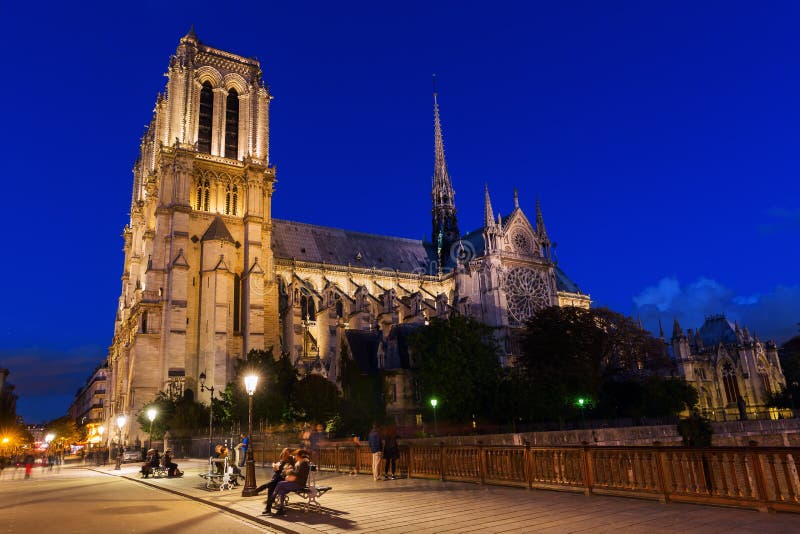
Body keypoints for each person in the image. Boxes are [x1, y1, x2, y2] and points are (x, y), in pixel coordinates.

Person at [265, 449, 310, 516]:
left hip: (299, 484)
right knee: (281, 490)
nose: (295, 456)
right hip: (295, 482)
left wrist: (289, 471)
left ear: (299, 456)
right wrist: (289, 470)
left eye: (296, 455)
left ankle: (272, 498)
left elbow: (298, 474)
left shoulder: (303, 463)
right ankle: (281, 509)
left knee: (280, 484)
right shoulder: (300, 462)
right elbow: (295, 473)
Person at [259, 448, 295, 512]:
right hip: (278, 478)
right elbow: (279, 470)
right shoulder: (282, 459)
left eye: (286, 453)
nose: (285, 454)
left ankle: (268, 506)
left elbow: (290, 469)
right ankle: (268, 508)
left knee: (272, 484)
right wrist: (275, 467)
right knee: (271, 486)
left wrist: (281, 467)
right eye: (284, 453)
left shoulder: (291, 459)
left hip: (285, 478)